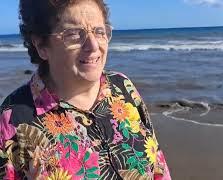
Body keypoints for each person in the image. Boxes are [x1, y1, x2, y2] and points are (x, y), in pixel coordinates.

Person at [0, 0, 171, 179]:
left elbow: (159, 167)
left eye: (99, 31)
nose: (94, 46)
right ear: (41, 45)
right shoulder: (12, 119)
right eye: (74, 34)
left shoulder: (123, 86)